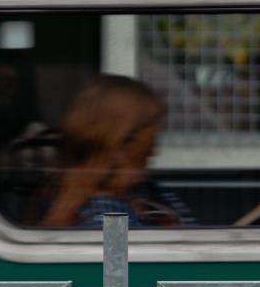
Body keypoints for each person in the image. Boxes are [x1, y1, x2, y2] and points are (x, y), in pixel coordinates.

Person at [42, 75, 191, 228]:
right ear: (120, 148)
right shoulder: (106, 216)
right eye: (149, 142)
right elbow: (117, 252)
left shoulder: (146, 191)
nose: (154, 152)